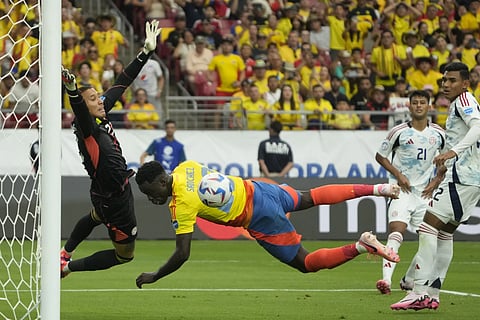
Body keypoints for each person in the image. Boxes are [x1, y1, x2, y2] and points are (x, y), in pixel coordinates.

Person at [134, 160, 401, 288]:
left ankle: (361, 246)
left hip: (259, 217)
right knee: (311, 197)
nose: (150, 197)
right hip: (259, 189)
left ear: (161, 182)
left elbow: (182, 254)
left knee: (305, 263)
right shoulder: (186, 167)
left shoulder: (180, 204)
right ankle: (377, 188)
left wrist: (155, 276)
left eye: (150, 191)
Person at [59, 20, 161, 278]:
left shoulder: (99, 115)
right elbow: (80, 111)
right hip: (114, 199)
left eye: (98, 96)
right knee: (124, 255)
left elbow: (123, 81)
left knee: (95, 216)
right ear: (83, 106)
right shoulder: (86, 128)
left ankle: (65, 253)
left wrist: (145, 52)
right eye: (93, 99)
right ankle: (66, 268)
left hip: (112, 191)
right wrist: (72, 91)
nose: (100, 100)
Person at [391, 62, 480, 310]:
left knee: (427, 226)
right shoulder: (463, 103)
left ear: (465, 83)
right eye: (443, 80)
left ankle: (417, 290)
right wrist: (441, 173)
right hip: (468, 179)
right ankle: (432, 294)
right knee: (444, 233)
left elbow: (478, 128)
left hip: (462, 177)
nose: (445, 85)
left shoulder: (464, 100)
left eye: (452, 80)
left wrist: (452, 152)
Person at [374, 90, 446, 295]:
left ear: (429, 106)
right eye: (415, 102)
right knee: (397, 230)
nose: (419, 105)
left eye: (423, 102)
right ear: (409, 106)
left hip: (424, 193)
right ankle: (386, 280)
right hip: (400, 190)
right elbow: (380, 156)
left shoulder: (439, 133)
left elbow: (445, 161)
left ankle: (409, 279)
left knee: (431, 238)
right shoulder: (398, 131)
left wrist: (436, 180)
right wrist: (398, 174)